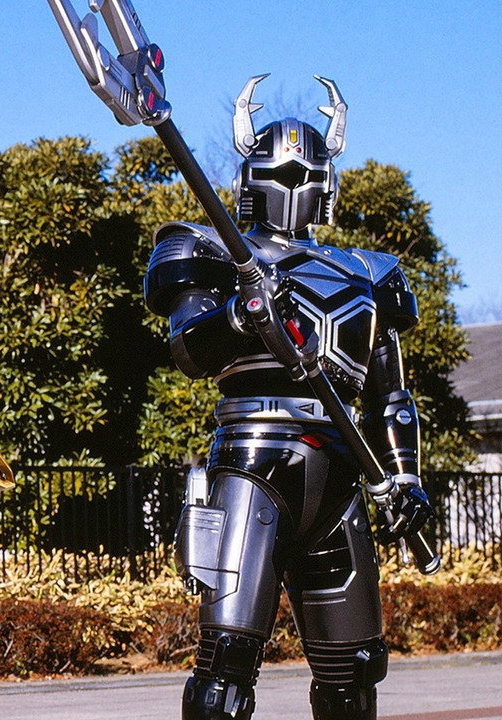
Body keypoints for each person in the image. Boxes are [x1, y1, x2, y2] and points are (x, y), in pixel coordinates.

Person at [146, 76, 432, 720]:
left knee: (354, 671)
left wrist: (406, 476)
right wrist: (240, 315)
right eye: (282, 174)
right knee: (225, 667)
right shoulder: (209, 249)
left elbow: (389, 394)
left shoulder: (369, 272)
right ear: (252, 178)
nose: (295, 185)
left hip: (341, 470)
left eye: (308, 174)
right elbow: (190, 349)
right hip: (254, 459)